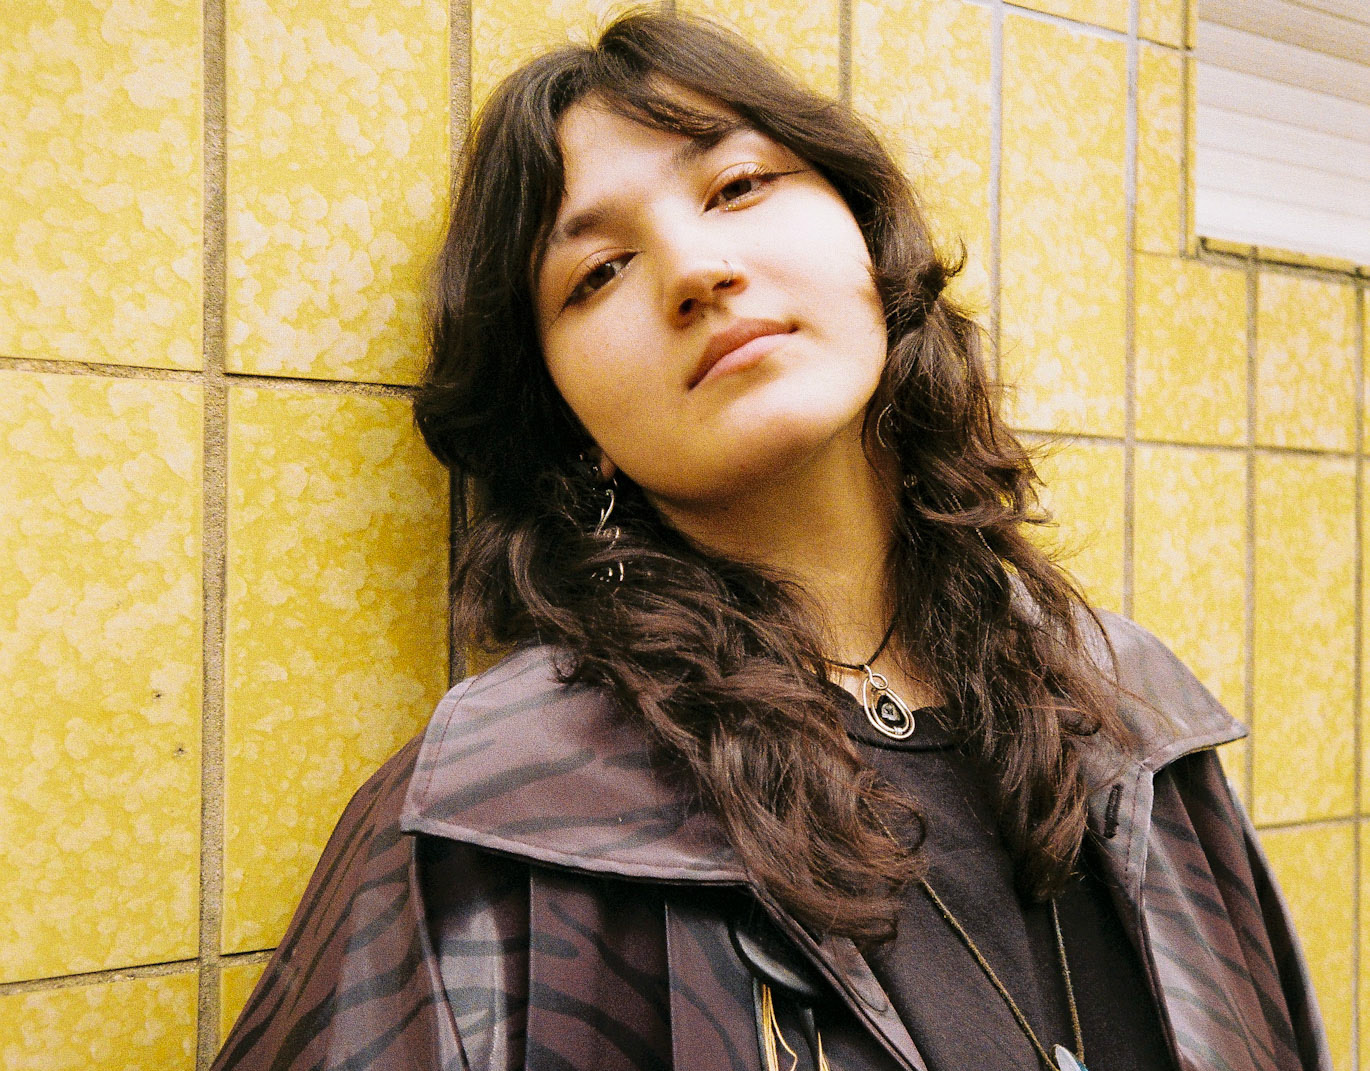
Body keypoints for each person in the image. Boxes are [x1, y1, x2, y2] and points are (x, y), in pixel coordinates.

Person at [212, 11, 1329, 1071]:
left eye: (738, 186)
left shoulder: (1132, 715)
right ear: (568, 424)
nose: (696, 271)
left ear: (868, 237)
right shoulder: (497, 812)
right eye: (598, 272)